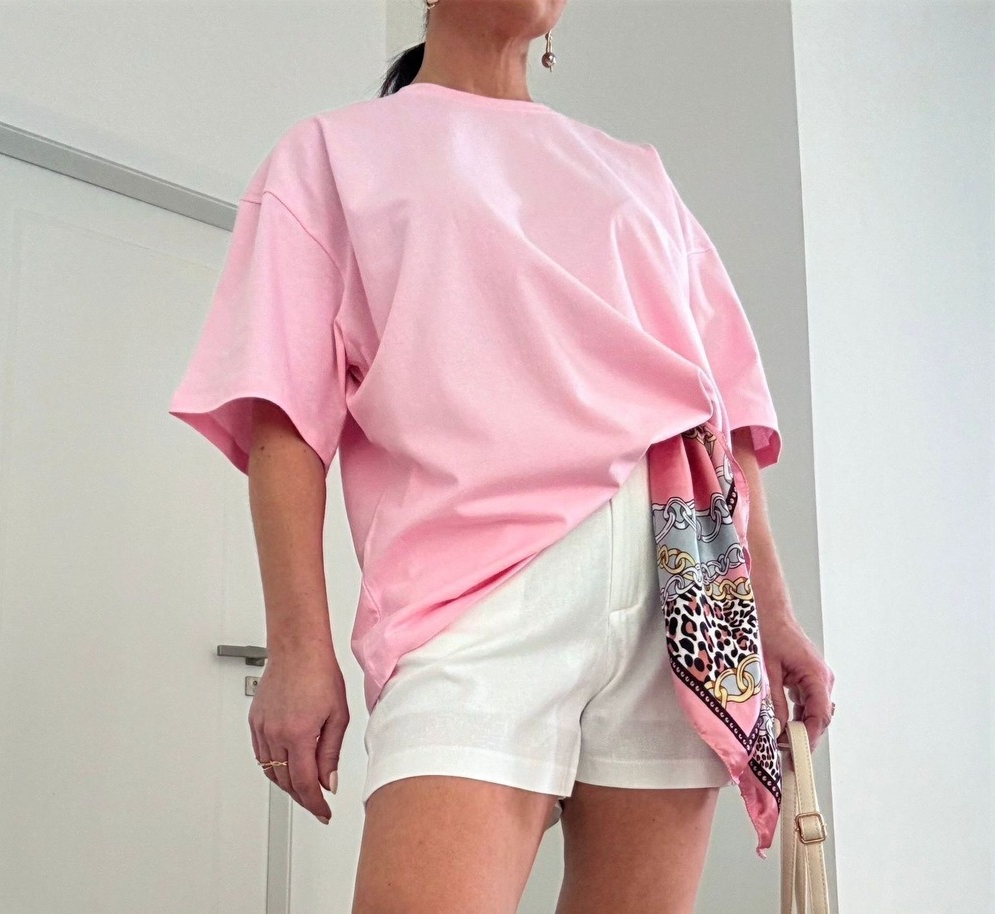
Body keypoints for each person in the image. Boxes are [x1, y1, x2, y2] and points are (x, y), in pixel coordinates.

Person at [168, 0, 836, 910]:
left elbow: (723, 413)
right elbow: (285, 416)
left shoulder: (636, 173)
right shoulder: (331, 155)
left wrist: (776, 615)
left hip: (682, 583)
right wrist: (296, 648)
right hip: (473, 597)